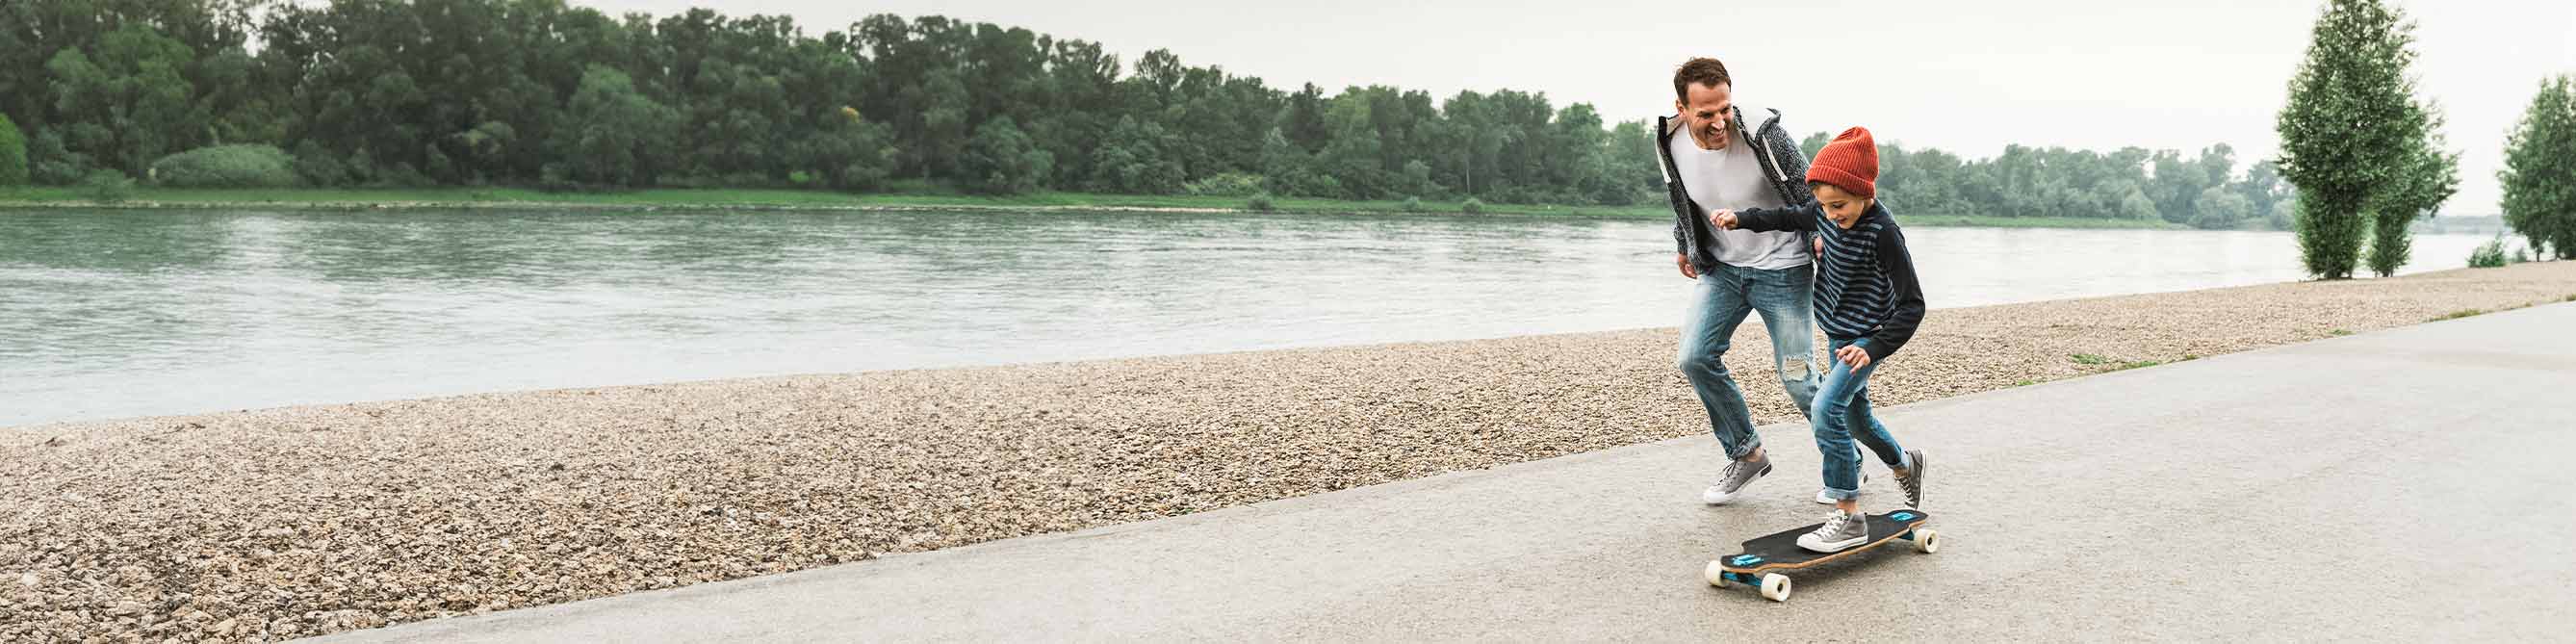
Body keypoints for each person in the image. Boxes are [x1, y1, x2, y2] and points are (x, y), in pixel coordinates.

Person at [1713, 126, 1929, 554]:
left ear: (1865, 192)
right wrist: (1742, 218)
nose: (1831, 215)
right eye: (1825, 206)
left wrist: (1872, 347)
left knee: (1826, 409)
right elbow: (1787, 216)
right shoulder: (1822, 212)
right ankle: (1906, 466)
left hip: (1865, 339)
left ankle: (1848, 515)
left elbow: (1913, 305)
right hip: (1836, 332)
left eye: (1840, 205)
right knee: (1856, 419)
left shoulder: (1884, 233)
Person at [1651, 57, 1842, 506]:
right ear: (1681, 107)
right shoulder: (1668, 140)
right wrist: (1685, 242)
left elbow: (1809, 191)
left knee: (1798, 378)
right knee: (1695, 358)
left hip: (1784, 270)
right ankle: (1746, 453)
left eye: (1725, 109)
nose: (1719, 122)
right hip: (1723, 270)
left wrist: (1819, 237)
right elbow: (1681, 195)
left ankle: (1844, 462)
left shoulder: (1763, 133)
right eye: (1706, 113)